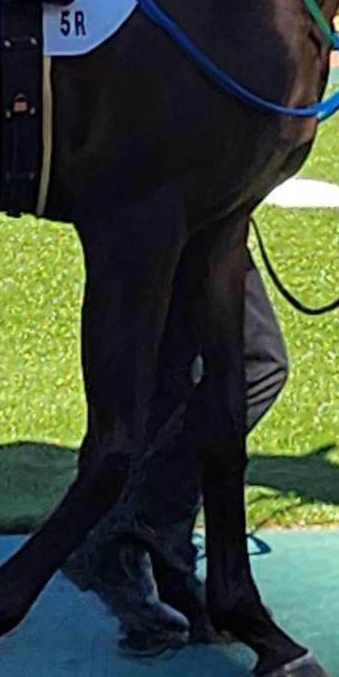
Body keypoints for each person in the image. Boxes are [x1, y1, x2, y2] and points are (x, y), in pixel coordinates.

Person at [60, 261, 291, 656]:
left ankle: (128, 537)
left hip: (210, 232)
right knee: (233, 369)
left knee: (230, 370)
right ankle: (135, 542)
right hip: (166, 235)